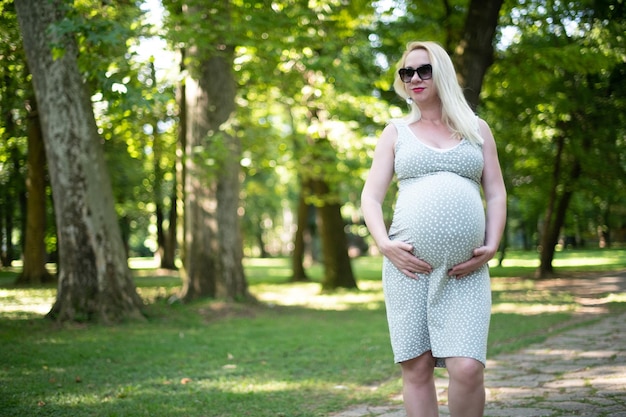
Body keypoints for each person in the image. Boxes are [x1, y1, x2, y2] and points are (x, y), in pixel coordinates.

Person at [360, 41, 507, 417]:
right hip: (408, 269)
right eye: (406, 72)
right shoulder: (395, 132)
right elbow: (371, 198)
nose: (414, 79)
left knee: (468, 368)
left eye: (423, 70)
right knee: (418, 367)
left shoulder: (478, 129)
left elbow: (495, 190)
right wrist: (384, 244)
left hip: (465, 274)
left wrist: (492, 244)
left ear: (441, 72)